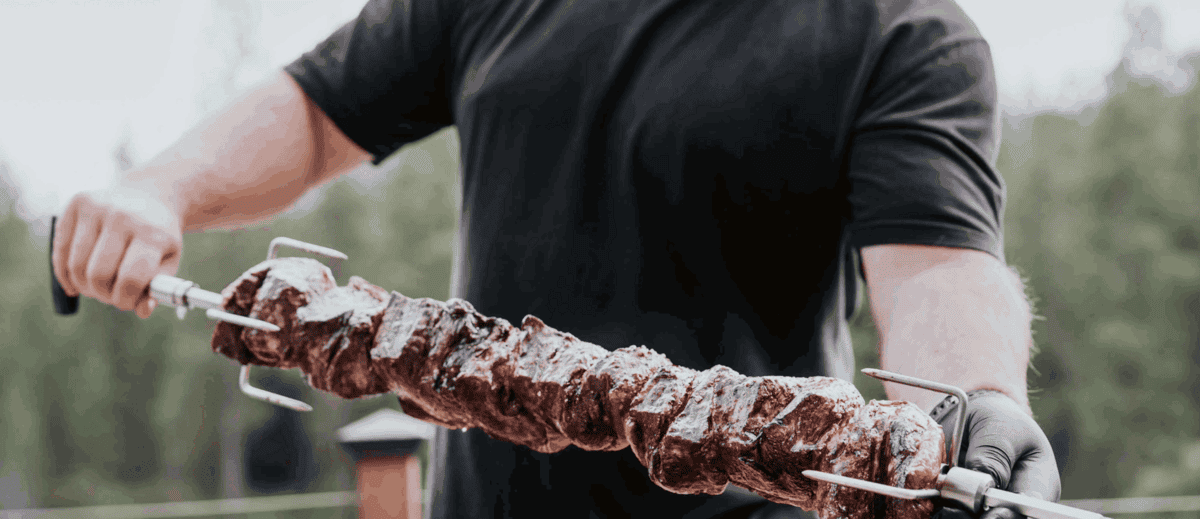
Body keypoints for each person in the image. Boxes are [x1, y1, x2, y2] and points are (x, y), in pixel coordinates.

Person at [51, 0, 1061, 517]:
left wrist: (977, 399)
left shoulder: (903, 31)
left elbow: (936, 266)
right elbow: (320, 112)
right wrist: (161, 186)